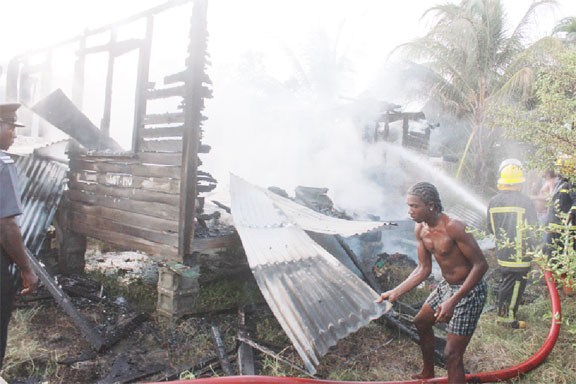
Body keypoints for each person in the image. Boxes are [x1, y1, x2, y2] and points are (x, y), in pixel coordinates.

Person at [377, 182, 488, 383]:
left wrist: (453, 302)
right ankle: (428, 373)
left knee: (452, 355)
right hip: (447, 287)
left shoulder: (454, 227)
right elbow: (423, 269)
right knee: (420, 322)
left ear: (430, 206)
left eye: (414, 206)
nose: (409, 211)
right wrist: (396, 291)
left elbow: (481, 265)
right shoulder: (420, 229)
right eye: (408, 206)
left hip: (470, 290)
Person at [0, 103, 39, 372]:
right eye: (10, 125)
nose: (14, 133)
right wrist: (27, 269)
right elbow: (6, 226)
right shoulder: (3, 165)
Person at [487, 159, 537, 329]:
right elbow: (533, 229)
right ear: (519, 183)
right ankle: (507, 320)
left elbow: (491, 228)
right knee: (515, 284)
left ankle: (505, 313)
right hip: (520, 253)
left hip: (502, 251)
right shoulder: (525, 201)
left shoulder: (493, 201)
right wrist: (536, 248)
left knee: (507, 283)